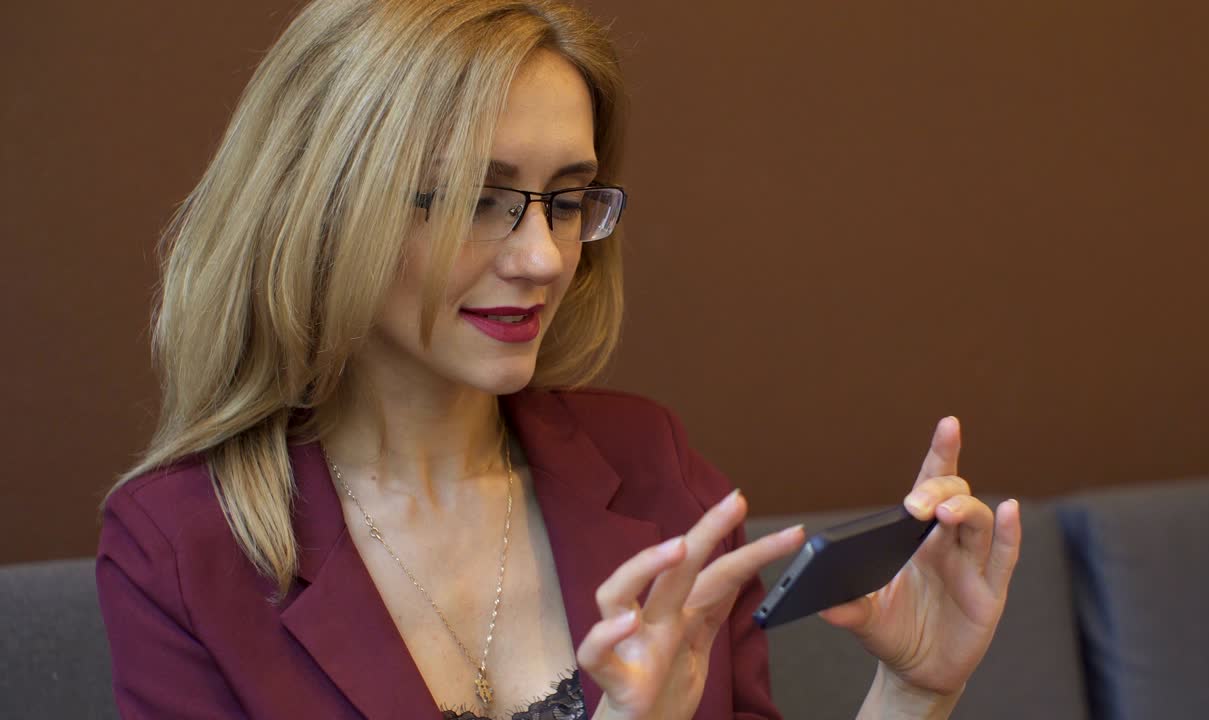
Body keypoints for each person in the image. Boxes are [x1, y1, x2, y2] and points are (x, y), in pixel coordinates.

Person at [96, 1, 1022, 718]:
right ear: (328, 208)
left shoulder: (655, 471)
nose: (542, 257)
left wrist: (915, 692)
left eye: (567, 200)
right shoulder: (181, 550)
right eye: (478, 197)